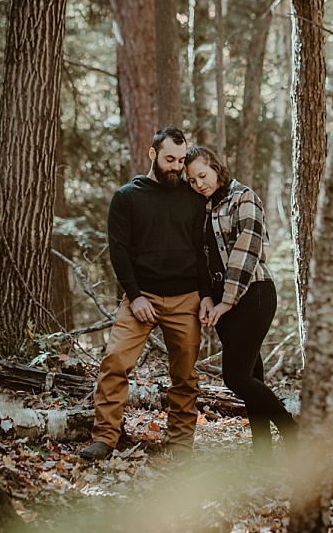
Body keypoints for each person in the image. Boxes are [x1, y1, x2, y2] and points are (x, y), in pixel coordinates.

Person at [80, 126, 207, 462]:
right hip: (141, 296)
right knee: (115, 361)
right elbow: (118, 251)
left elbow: (202, 250)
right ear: (152, 154)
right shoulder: (127, 197)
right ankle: (105, 437)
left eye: (181, 160)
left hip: (186, 299)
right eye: (169, 159)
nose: (177, 167)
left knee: (185, 376)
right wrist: (134, 296)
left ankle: (180, 445)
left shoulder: (193, 198)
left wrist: (205, 296)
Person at [185, 145, 296, 454]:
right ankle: (262, 452)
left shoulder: (244, 198)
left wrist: (226, 301)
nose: (199, 184)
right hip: (223, 301)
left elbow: (246, 252)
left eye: (203, 176)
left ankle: (292, 432)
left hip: (253, 294)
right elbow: (202, 259)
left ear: (217, 169)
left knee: (235, 378)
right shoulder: (203, 208)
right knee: (251, 375)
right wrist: (207, 297)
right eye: (192, 180)